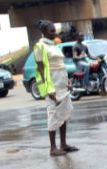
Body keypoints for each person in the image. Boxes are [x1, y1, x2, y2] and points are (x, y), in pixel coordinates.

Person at [34, 20, 78, 157]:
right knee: (53, 114)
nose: (54, 33)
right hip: (52, 85)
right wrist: (49, 89)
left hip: (62, 82)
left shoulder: (54, 45)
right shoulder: (39, 46)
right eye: (51, 31)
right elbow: (41, 69)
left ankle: (63, 144)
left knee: (64, 114)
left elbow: (61, 65)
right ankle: (53, 148)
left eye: (54, 31)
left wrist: (68, 82)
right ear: (44, 32)